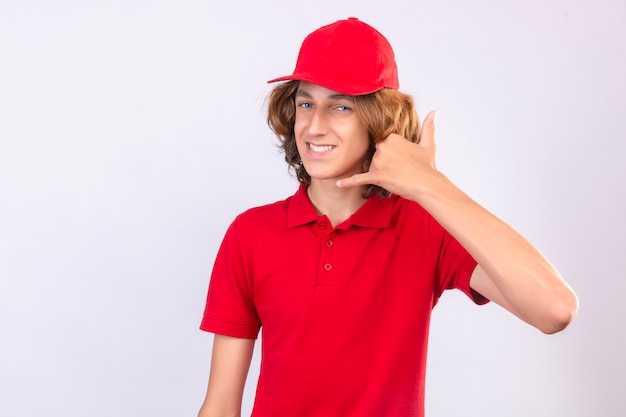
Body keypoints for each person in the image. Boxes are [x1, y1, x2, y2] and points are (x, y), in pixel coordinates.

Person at [197, 17, 578, 417]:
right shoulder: (251, 234)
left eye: (340, 106)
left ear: (378, 120)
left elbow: (554, 309)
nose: (314, 125)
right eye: (306, 103)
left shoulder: (424, 226)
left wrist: (431, 185)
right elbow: (220, 405)